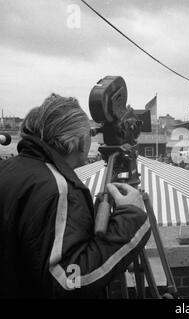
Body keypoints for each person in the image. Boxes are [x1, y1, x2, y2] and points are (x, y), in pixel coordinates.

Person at [0, 94, 151, 298]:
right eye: (89, 133)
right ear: (77, 142)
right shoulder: (57, 188)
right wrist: (130, 218)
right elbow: (69, 281)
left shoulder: (9, 169)